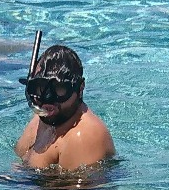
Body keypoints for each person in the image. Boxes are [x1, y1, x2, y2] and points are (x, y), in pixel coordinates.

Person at [14, 42, 115, 171]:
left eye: (60, 89)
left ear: (80, 88)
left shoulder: (83, 137)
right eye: (41, 87)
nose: (48, 98)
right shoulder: (45, 115)